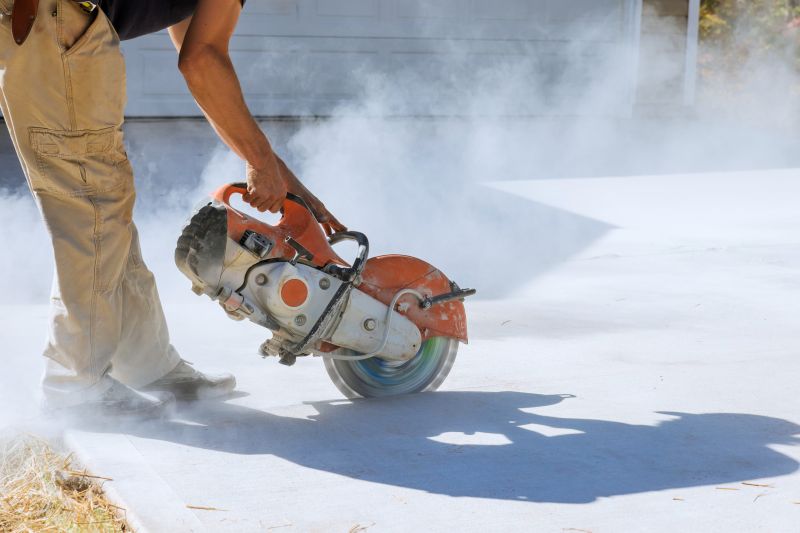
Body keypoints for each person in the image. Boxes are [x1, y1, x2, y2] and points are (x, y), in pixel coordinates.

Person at [0, 0, 345, 417]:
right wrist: (259, 162)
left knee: (107, 207)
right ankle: (74, 385)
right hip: (57, 22)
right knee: (92, 208)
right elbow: (202, 59)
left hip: (60, 25)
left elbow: (197, 58)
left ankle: (145, 365)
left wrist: (273, 169)